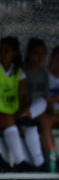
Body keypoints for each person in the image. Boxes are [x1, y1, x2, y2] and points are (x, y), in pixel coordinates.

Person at [0, 36, 35, 172]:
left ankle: (34, 161)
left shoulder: (19, 72)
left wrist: (23, 110)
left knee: (27, 123)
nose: (2, 53)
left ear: (14, 53)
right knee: (7, 119)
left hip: (12, 113)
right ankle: (19, 161)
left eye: (6, 50)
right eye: (0, 50)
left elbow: (23, 96)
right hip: (3, 115)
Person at [19, 37, 50, 170]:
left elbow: (46, 99)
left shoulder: (44, 74)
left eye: (43, 54)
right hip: (21, 108)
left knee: (42, 102)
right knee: (30, 127)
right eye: (37, 53)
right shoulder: (21, 70)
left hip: (36, 111)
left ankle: (26, 117)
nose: (40, 57)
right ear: (29, 54)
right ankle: (39, 163)